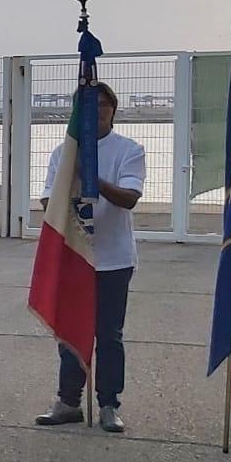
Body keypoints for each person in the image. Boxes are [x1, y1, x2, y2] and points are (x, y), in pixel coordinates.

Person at [34, 84, 146, 434]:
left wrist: (90, 177)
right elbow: (48, 201)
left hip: (113, 259)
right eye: (87, 106)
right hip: (75, 254)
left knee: (109, 335)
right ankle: (68, 401)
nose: (95, 111)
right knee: (71, 331)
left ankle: (109, 403)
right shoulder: (63, 153)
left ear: (113, 109)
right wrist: (71, 184)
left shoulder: (129, 150)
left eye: (102, 105)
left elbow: (129, 198)